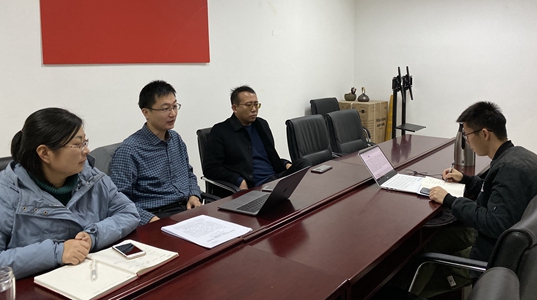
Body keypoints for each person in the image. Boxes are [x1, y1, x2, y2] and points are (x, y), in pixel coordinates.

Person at [398, 101, 537, 298]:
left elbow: (494, 223)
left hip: (492, 257)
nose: (467, 142)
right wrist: (466, 180)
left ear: (484, 134)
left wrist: (449, 200)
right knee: (436, 240)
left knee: (422, 266)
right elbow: (495, 191)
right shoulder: (516, 155)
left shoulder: (510, 170)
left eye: (467, 135)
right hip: (497, 240)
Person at [0, 108, 139, 279]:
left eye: (85, 142)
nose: (87, 151)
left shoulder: (90, 176)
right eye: (78, 145)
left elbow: (128, 212)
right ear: (45, 153)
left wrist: (93, 236)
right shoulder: (6, 193)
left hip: (94, 275)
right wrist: (57, 253)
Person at [111, 80, 202, 225]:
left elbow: (188, 174)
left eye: (174, 106)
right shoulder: (129, 150)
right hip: (156, 215)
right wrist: (149, 219)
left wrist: (194, 195)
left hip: (186, 208)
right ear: (146, 112)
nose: (173, 114)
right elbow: (119, 200)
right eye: (165, 109)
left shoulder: (176, 139)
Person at [204, 85, 310, 190]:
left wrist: (284, 164)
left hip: (275, 179)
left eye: (256, 105)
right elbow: (211, 168)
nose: (254, 109)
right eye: (249, 105)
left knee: (303, 163)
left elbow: (268, 157)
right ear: (235, 108)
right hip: (255, 185)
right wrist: (238, 180)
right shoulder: (220, 131)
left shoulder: (261, 124)